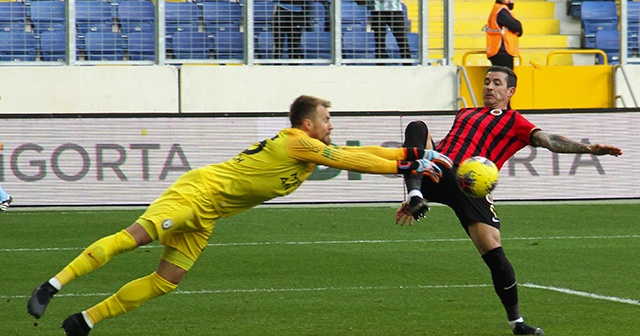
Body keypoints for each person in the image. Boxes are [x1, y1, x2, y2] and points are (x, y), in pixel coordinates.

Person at [27, 95, 453, 336]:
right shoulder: (296, 143)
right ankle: (53, 284)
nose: (332, 125)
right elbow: (352, 161)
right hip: (196, 194)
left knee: (166, 282)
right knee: (134, 237)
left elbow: (357, 152)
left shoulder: (307, 152)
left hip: (209, 214)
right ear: (307, 125)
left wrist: (412, 154)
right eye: (327, 119)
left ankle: (85, 321)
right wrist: (407, 165)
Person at [395, 66, 622, 335]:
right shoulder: (465, 112)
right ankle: (415, 192)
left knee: (495, 254)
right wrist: (422, 180)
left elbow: (548, 140)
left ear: (510, 91)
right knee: (417, 127)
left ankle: (517, 323)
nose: (489, 87)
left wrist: (588, 149)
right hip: (442, 168)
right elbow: (437, 146)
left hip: (471, 187)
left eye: (497, 83)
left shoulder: (514, 121)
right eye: (487, 82)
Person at [486, 0, 522, 69]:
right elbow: (516, 26)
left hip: (500, 51)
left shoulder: (501, 9)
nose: (511, 1)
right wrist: (519, 30)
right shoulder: (501, 10)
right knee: (504, 76)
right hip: (501, 51)